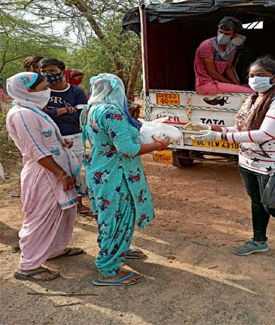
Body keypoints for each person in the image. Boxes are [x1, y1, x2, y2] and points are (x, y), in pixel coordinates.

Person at [189, 57, 275, 261]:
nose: (254, 79)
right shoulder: (252, 99)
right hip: (248, 160)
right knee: (257, 202)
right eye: (251, 75)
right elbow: (241, 129)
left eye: (260, 76)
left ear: (274, 78)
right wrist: (213, 129)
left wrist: (221, 137)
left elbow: (264, 133)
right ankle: (259, 241)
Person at [80, 73, 169, 286]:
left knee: (108, 217)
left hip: (100, 171)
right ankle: (108, 270)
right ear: (116, 90)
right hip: (116, 176)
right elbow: (127, 149)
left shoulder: (89, 109)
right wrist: (159, 146)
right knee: (117, 218)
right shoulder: (111, 113)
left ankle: (119, 249)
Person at [6, 72, 84, 282]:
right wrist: (60, 174)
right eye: (42, 88)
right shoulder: (23, 115)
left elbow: (45, 139)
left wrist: (61, 144)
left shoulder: (33, 110)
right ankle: (29, 266)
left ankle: (53, 250)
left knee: (62, 214)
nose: (46, 92)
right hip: (45, 174)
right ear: (28, 90)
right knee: (42, 216)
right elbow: (35, 150)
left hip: (55, 169)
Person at [39, 57, 93, 217]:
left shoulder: (75, 91)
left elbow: (81, 115)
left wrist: (53, 114)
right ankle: (56, 204)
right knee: (54, 170)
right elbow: (40, 116)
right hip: (49, 138)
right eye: (44, 71)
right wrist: (63, 111)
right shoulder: (41, 92)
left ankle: (79, 204)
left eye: (52, 71)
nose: (48, 74)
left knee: (74, 169)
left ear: (62, 72)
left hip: (74, 136)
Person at [194, 16, 252, 95]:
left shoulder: (231, 47)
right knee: (250, 92)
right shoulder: (207, 45)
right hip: (206, 84)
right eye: (220, 32)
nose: (222, 36)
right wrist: (230, 83)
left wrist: (238, 84)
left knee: (247, 88)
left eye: (227, 34)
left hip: (218, 83)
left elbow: (228, 68)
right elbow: (212, 72)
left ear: (235, 35)